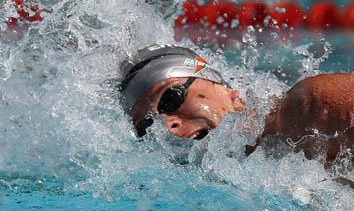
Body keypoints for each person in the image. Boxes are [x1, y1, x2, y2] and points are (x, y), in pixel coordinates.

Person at [119, 44, 354, 172]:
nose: (167, 124)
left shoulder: (309, 105)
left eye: (169, 99)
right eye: (146, 125)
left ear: (221, 87)